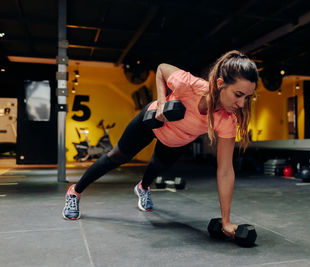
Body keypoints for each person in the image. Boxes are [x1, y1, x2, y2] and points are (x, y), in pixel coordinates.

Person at [62, 50, 259, 239]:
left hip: (177, 140)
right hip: (152, 122)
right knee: (117, 156)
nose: (242, 104)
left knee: (157, 166)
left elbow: (225, 170)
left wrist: (226, 221)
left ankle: (143, 188)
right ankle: (75, 192)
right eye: (238, 94)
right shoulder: (189, 84)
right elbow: (162, 69)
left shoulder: (227, 120)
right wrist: (162, 102)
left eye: (247, 97)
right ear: (220, 83)